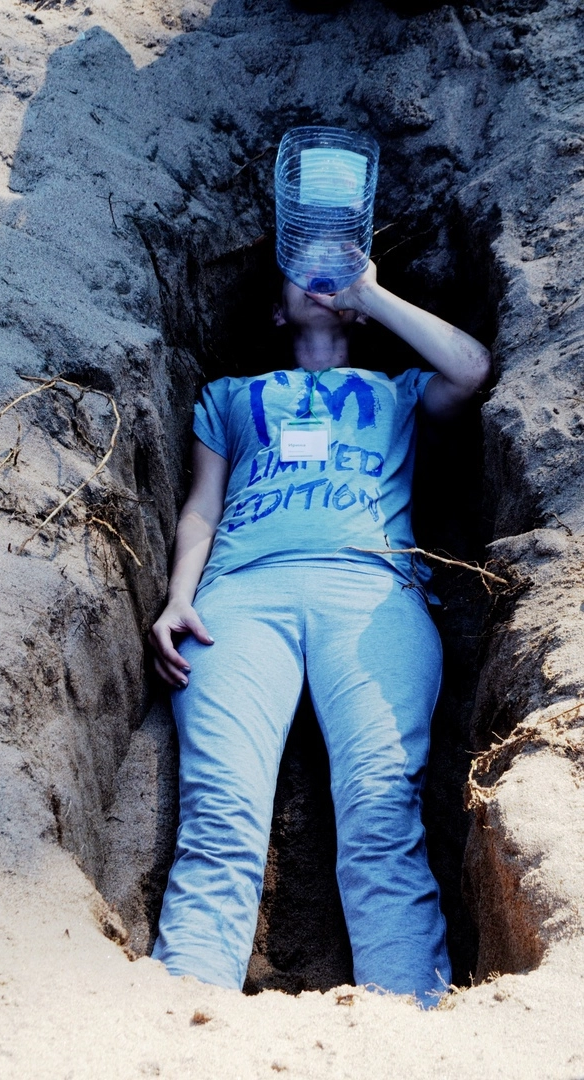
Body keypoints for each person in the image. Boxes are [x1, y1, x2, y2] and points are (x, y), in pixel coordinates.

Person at [148, 259, 491, 1006]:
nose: (319, 280)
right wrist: (178, 598)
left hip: (372, 595)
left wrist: (368, 292)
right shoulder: (230, 395)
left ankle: (410, 1021)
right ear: (276, 312)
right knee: (220, 811)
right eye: (299, 274)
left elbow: (470, 368)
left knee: (381, 810)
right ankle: (177, 1015)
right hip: (240, 597)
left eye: (337, 277)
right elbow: (202, 506)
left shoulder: (398, 391)